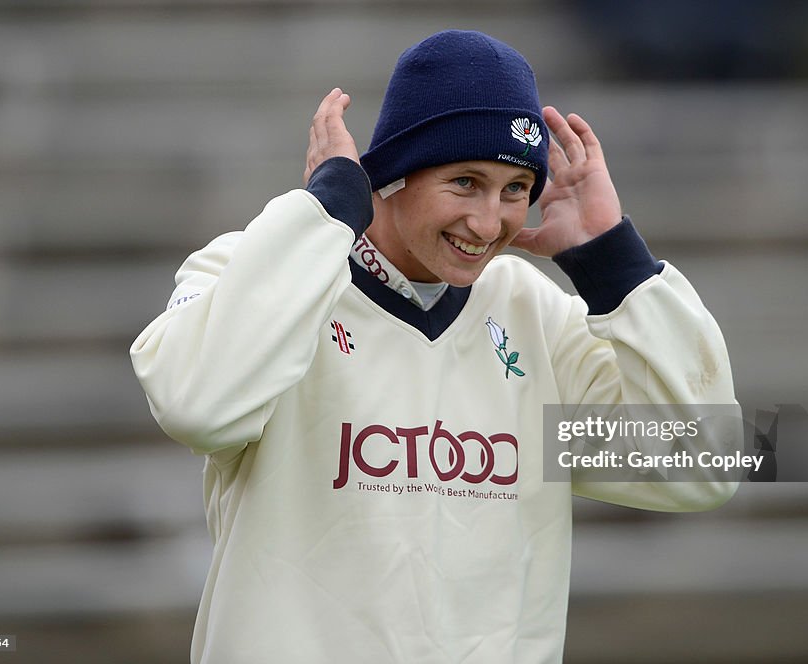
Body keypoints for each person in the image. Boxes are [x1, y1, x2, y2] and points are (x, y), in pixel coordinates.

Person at [130, 30, 738, 664]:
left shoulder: (536, 317)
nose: (488, 223)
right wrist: (323, 216)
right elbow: (197, 406)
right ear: (393, 174)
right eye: (464, 182)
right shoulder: (256, 267)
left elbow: (705, 466)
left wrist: (614, 262)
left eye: (514, 190)